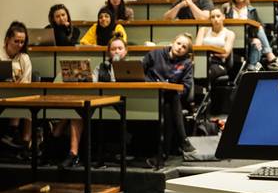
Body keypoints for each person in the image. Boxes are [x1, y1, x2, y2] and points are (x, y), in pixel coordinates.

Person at [53, 33, 128, 168]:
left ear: (126, 51)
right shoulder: (102, 66)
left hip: (122, 104)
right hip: (100, 101)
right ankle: (73, 153)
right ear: (108, 52)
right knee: (78, 111)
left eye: (120, 48)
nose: (116, 51)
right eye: (113, 49)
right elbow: (93, 80)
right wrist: (83, 77)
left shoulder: (131, 67)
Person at [143, 33, 197, 160]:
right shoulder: (155, 54)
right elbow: (139, 71)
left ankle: (163, 154)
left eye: (184, 47)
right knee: (170, 102)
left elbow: (187, 85)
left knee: (170, 100)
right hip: (150, 94)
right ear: (173, 42)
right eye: (178, 43)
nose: (179, 48)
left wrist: (172, 91)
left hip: (171, 97)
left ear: (186, 51)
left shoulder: (187, 63)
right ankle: (182, 141)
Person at [224, 0, 278, 71]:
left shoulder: (251, 10)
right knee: (258, 35)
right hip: (233, 39)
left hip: (247, 38)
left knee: (257, 41)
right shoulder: (229, 10)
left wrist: (252, 39)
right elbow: (227, 28)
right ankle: (269, 55)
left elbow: (257, 27)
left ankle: (251, 68)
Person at [0, 22, 32, 149]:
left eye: (22, 42)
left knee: (29, 104)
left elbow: (26, 82)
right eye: (16, 41)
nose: (19, 45)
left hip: (18, 93)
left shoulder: (24, 58)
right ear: (7, 40)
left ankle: (24, 142)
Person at [196, 8, 235, 92]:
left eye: (218, 16)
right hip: (202, 61)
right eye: (213, 17)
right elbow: (197, 48)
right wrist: (214, 52)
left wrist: (210, 53)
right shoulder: (203, 30)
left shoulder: (229, 33)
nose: (216, 19)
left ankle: (204, 95)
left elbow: (225, 53)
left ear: (223, 17)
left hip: (218, 63)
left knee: (207, 72)